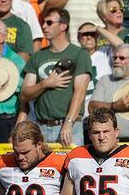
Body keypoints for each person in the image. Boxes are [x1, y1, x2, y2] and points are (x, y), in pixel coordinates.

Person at [21, 8, 92, 147]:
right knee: (44, 168)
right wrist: (45, 84)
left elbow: (80, 92)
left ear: (63, 26)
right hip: (41, 126)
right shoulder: (37, 56)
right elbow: (24, 94)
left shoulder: (79, 54)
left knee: (72, 167)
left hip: (70, 126)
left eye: (49, 22)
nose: (44, 26)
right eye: (43, 22)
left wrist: (68, 123)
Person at [77, 22, 112, 107]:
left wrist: (98, 29)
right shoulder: (74, 57)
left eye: (93, 34)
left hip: (105, 108)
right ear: (79, 38)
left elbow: (121, 45)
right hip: (82, 111)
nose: (89, 37)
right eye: (85, 34)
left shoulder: (106, 52)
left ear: (98, 37)